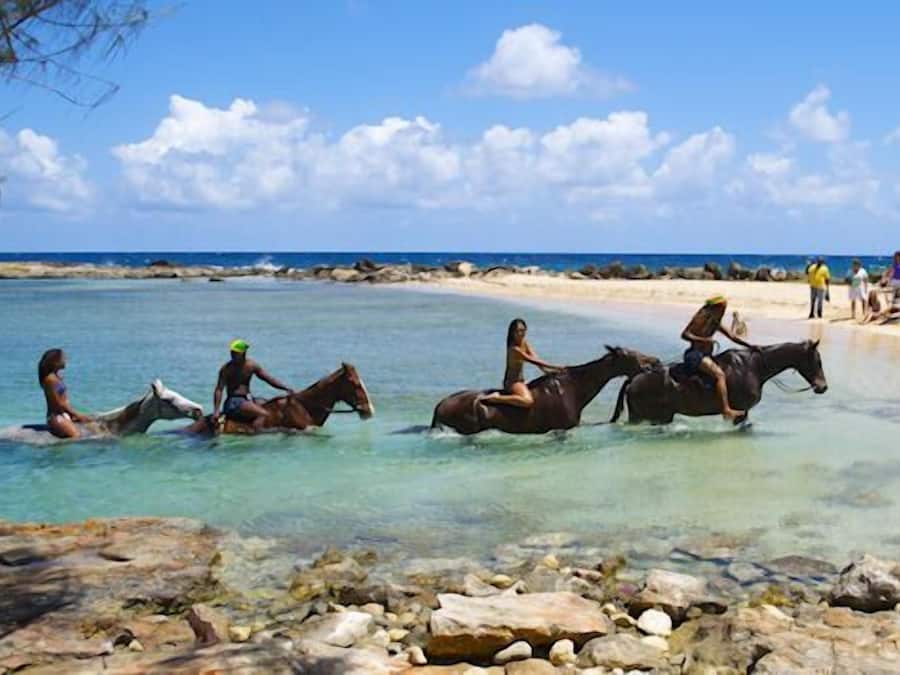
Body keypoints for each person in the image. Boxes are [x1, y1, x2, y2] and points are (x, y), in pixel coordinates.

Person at [681, 296, 758, 424]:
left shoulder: (715, 323)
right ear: (715, 308)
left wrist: (750, 346)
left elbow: (732, 336)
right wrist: (703, 340)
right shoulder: (700, 319)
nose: (723, 311)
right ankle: (725, 409)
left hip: (708, 356)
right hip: (695, 355)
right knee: (720, 375)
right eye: (722, 308)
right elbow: (685, 334)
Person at [212, 339, 294, 431]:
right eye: (232, 352)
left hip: (248, 398)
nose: (232, 355)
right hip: (234, 401)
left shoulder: (251, 365)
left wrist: (285, 388)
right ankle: (255, 436)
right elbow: (219, 389)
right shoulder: (227, 369)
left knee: (270, 404)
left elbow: (268, 379)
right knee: (263, 414)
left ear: (243, 353)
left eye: (235, 353)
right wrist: (216, 411)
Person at [481, 318, 562, 408]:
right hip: (512, 383)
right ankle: (497, 398)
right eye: (518, 331)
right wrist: (557, 367)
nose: (521, 334)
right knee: (528, 401)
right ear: (513, 333)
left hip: (522, 381)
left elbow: (535, 357)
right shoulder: (514, 349)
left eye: (523, 330)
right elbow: (532, 360)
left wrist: (546, 371)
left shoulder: (524, 343)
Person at [38, 348, 92, 439]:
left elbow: (64, 399)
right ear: (55, 362)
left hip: (65, 414)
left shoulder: (57, 377)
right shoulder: (50, 380)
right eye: (63, 358)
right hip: (56, 417)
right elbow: (59, 403)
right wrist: (77, 415)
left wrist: (72, 415)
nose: (65, 360)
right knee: (76, 436)